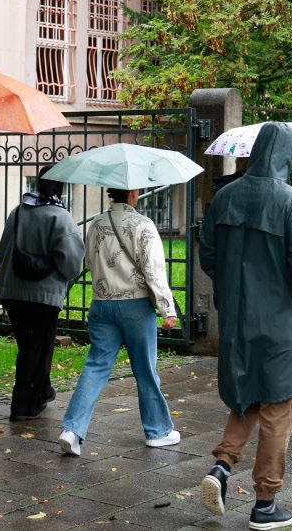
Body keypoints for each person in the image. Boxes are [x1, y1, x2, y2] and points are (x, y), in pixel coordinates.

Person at [198, 122, 292, 530]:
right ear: (288, 156)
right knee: (279, 405)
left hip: (235, 316)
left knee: (246, 398)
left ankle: (221, 467)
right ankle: (266, 503)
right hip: (278, 320)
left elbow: (208, 255)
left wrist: (230, 289)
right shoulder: (291, 201)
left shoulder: (225, 196)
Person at [58, 187, 180, 455]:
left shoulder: (95, 224)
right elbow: (154, 270)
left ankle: (72, 429)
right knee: (146, 370)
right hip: (135, 306)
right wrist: (167, 308)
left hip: (102, 304)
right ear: (133, 193)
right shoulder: (143, 225)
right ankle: (157, 431)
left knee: (96, 367)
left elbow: (88, 262)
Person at [0, 166, 84, 421]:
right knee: (40, 348)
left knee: (27, 346)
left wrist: (3, 287)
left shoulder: (18, 212)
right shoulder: (61, 217)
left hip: (14, 293)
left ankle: (42, 392)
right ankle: (24, 404)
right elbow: (72, 265)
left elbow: (4, 253)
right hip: (45, 297)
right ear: (59, 187)